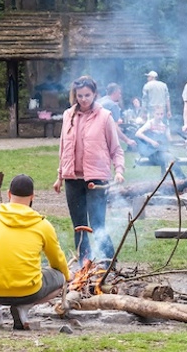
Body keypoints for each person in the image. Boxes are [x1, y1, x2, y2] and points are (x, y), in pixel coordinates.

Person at [0, 174, 70, 330]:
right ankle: (24, 308)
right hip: (29, 292)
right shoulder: (43, 224)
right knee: (61, 277)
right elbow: (56, 259)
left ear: (8, 194)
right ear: (32, 196)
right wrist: (67, 277)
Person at [53, 76, 125, 264]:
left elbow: (116, 148)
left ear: (95, 94)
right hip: (72, 179)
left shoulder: (105, 117)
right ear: (74, 95)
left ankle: (110, 262)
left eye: (87, 95)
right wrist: (59, 176)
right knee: (80, 226)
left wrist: (119, 170)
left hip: (96, 179)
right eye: (80, 96)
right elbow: (63, 147)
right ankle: (84, 264)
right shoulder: (68, 115)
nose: (83, 99)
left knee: (97, 224)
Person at [135, 107, 185, 178]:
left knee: (169, 157)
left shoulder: (165, 125)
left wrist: (182, 144)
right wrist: (152, 142)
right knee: (169, 157)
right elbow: (138, 133)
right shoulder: (150, 123)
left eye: (161, 114)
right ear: (153, 114)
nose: (159, 116)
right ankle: (181, 178)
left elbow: (170, 140)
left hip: (162, 151)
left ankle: (166, 179)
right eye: (157, 114)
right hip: (152, 152)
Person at [96, 83, 136, 148]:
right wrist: (127, 140)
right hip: (102, 139)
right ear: (115, 92)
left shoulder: (98, 101)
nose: (120, 96)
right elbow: (114, 127)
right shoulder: (113, 105)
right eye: (119, 93)